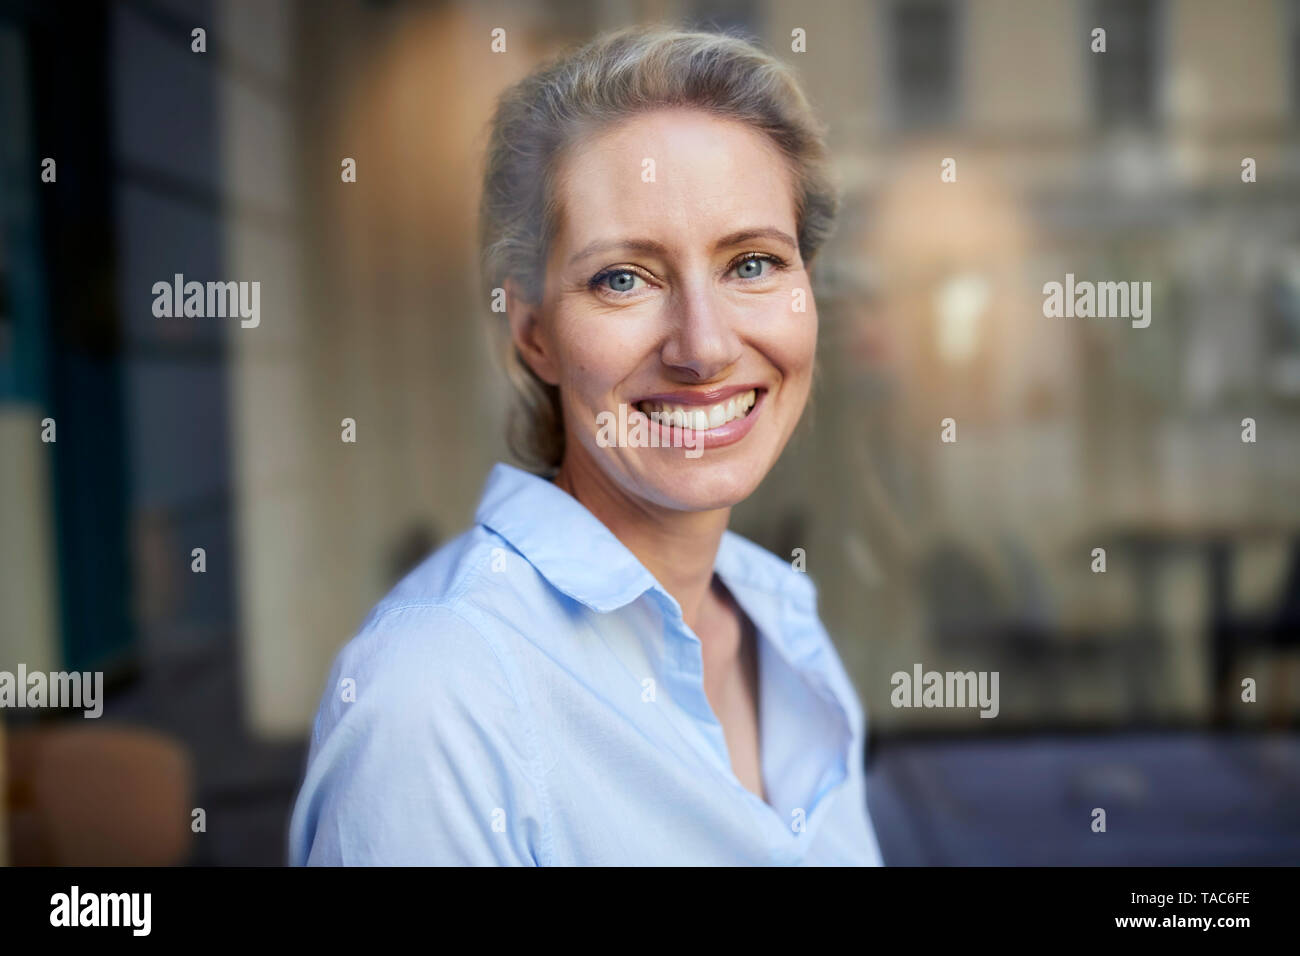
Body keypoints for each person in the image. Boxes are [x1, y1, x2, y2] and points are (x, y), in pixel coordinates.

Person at [290, 24, 884, 865]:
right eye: (623, 278)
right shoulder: (440, 695)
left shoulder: (784, 629)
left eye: (752, 264)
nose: (705, 347)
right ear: (533, 333)